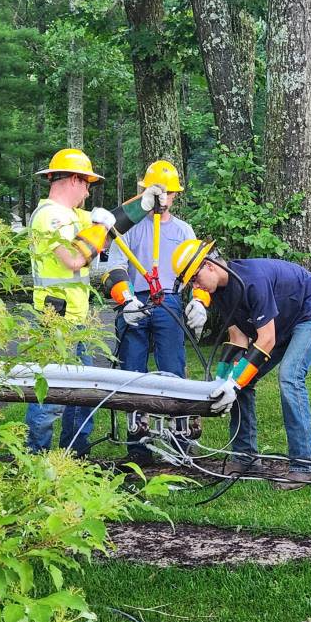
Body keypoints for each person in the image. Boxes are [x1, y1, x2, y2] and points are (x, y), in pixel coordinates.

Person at [25, 148, 167, 454]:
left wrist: (143, 204)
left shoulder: (71, 215)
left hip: (74, 319)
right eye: (87, 183)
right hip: (54, 321)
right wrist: (102, 227)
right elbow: (75, 257)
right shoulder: (48, 216)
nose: (89, 191)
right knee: (49, 395)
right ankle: (34, 459)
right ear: (74, 179)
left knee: (83, 393)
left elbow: (113, 224)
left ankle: (75, 455)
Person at [171, 239, 311, 490]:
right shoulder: (220, 293)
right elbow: (238, 338)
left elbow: (266, 339)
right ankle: (245, 458)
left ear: (210, 266)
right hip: (279, 324)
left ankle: (306, 467)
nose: (196, 286)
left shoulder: (252, 281)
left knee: (290, 377)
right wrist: (224, 379)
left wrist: (235, 381)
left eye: (195, 278)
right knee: (242, 384)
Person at [102, 160, 206, 465]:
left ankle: (180, 437)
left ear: (174, 196)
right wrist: (125, 300)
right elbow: (115, 266)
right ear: (145, 192)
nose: (163, 198)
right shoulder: (130, 227)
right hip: (135, 301)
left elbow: (198, 271)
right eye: (157, 192)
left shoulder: (183, 229)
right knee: (132, 369)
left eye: (168, 193)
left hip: (169, 301)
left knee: (173, 368)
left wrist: (199, 302)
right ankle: (138, 442)